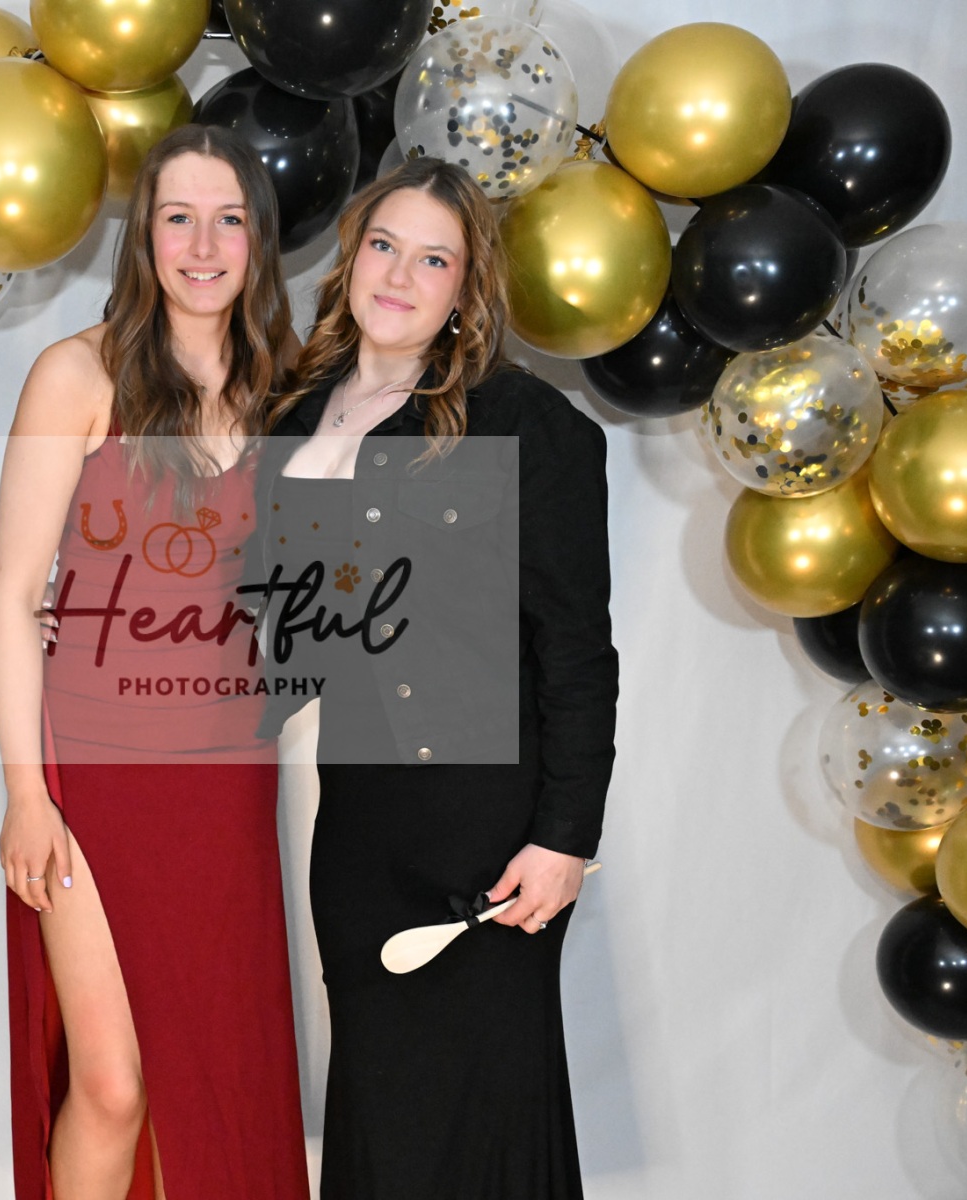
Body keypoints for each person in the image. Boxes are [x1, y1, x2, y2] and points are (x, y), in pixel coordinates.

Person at [253, 156, 618, 1198]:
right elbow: (285, 631)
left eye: (433, 259)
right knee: (382, 1103)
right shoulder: (293, 417)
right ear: (352, 259)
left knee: (484, 1109)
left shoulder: (525, 423)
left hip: (488, 832)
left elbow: (577, 651)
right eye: (384, 245)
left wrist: (564, 838)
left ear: (467, 287)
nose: (400, 275)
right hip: (360, 827)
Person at [0, 124, 309, 1200]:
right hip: (92, 775)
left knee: (216, 1072)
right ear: (145, 237)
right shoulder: (78, 374)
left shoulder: (291, 387)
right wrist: (26, 796)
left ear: (259, 240)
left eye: (229, 220)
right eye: (178, 218)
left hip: (226, 777)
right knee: (114, 1083)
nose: (203, 246)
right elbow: (11, 597)